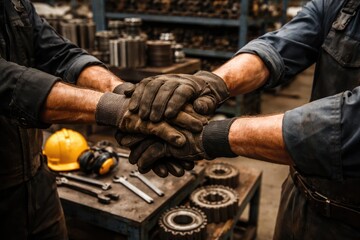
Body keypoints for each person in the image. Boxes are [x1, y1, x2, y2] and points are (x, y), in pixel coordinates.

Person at [116, 0, 360, 239]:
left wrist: (211, 137)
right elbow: (282, 44)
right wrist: (211, 83)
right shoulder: (341, 4)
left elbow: (349, 126)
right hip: (300, 196)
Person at [0, 0, 207, 239]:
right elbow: (10, 83)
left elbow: (60, 54)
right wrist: (116, 110)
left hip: (38, 185)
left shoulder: (16, 4)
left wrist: (124, 92)